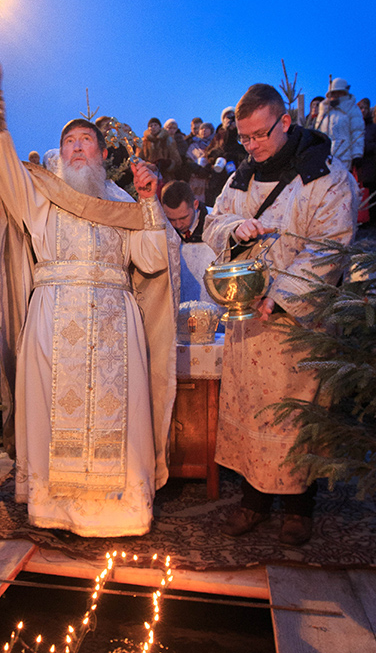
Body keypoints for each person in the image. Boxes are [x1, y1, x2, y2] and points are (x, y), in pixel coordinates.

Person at [0, 44, 179, 537]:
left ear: (104, 155)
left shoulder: (125, 201)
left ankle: (121, 510)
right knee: (53, 415)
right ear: (60, 153)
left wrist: (151, 205)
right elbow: (0, 160)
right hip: (53, 319)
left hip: (115, 324)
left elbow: (151, 261)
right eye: (70, 141)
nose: (78, 147)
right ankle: (55, 509)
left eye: (87, 141)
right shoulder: (40, 193)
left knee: (119, 417)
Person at [203, 83, 357, 546]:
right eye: (244, 138)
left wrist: (283, 295)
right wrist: (235, 226)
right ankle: (253, 500)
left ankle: (298, 507)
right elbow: (213, 224)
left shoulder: (326, 176)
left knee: (296, 414)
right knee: (254, 411)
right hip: (249, 324)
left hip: (297, 323)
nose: (251, 146)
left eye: (260, 136)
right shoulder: (241, 177)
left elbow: (331, 245)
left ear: (285, 122)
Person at [161, 180, 215, 304]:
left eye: (183, 217)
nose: (178, 225)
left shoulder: (215, 222)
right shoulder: (163, 229)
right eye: (172, 219)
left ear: (195, 205)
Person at [314, 78, 364, 170]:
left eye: (339, 92)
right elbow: (318, 134)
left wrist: (357, 155)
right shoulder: (324, 111)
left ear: (344, 93)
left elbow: (357, 133)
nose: (335, 96)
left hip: (344, 157)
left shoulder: (352, 109)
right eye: (333, 93)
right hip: (326, 157)